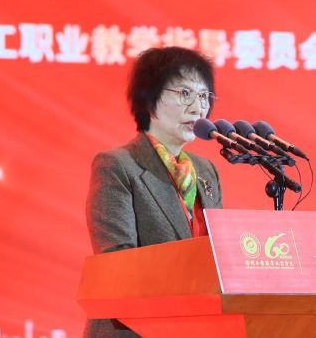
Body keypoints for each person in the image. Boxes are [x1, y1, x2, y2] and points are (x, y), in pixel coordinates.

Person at [83, 47, 224, 338]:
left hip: (199, 326)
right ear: (149, 99)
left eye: (204, 96)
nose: (198, 108)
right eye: (185, 93)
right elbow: (118, 262)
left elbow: (218, 255)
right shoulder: (117, 165)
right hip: (135, 329)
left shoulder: (205, 170)